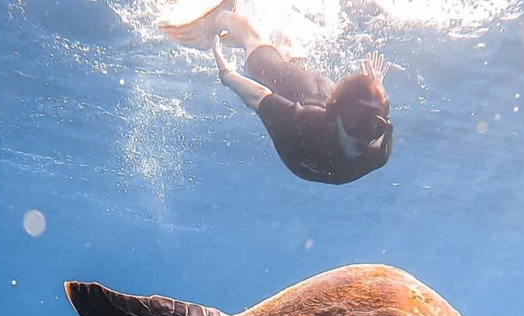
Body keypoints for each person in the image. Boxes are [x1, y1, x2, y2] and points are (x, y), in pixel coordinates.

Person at [159, 0, 396, 185]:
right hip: (311, 112)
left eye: (375, 127)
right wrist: (228, 76)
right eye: (357, 124)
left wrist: (227, 76)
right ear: (334, 116)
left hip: (299, 152)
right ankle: (223, 17)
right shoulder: (306, 123)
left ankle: (266, 42)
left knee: (273, 69)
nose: (364, 138)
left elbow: (258, 97)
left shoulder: (378, 149)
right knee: (264, 60)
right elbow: (259, 96)